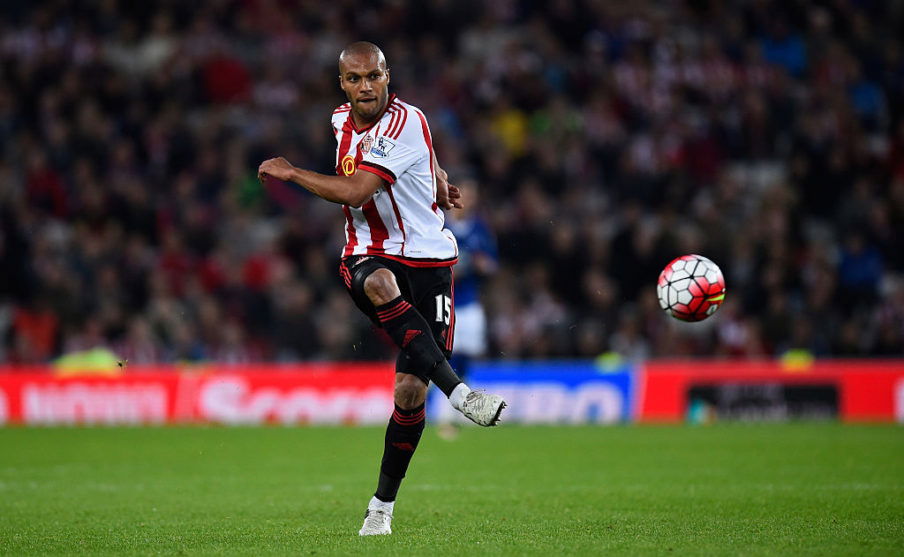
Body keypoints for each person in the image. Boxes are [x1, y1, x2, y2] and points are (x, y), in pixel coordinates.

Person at [257, 42, 507, 537]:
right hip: (368, 252)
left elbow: (354, 191)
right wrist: (437, 181)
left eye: (374, 76)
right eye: (354, 79)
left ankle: (381, 507)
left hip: (431, 260)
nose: (365, 86)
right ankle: (460, 396)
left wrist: (290, 173)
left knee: (410, 391)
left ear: (388, 76)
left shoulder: (404, 122)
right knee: (379, 282)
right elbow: (425, 160)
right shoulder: (338, 121)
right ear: (342, 84)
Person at [438, 179, 499, 439]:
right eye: (465, 195)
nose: (468, 201)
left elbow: (492, 265)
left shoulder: (479, 229)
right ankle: (443, 417)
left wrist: (479, 264)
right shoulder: (440, 226)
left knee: (465, 361)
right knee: (444, 360)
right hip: (444, 303)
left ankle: (460, 412)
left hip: (470, 304)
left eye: (473, 196)